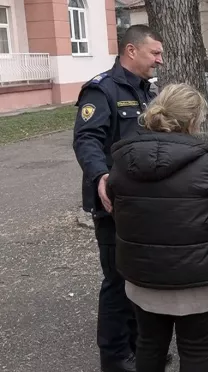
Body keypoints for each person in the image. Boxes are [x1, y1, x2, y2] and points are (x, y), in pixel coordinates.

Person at [107, 83, 208, 372]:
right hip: (196, 277)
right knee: (195, 350)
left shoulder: (121, 161)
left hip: (143, 275)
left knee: (149, 344)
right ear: (192, 120)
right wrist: (204, 245)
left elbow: (120, 215)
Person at [72, 24, 166, 372]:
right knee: (117, 280)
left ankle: (138, 348)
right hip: (113, 203)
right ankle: (114, 357)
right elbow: (87, 140)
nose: (159, 59)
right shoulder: (103, 91)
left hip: (142, 203)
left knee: (138, 277)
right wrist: (100, 176)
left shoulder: (146, 92)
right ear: (131, 51)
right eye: (154, 52)